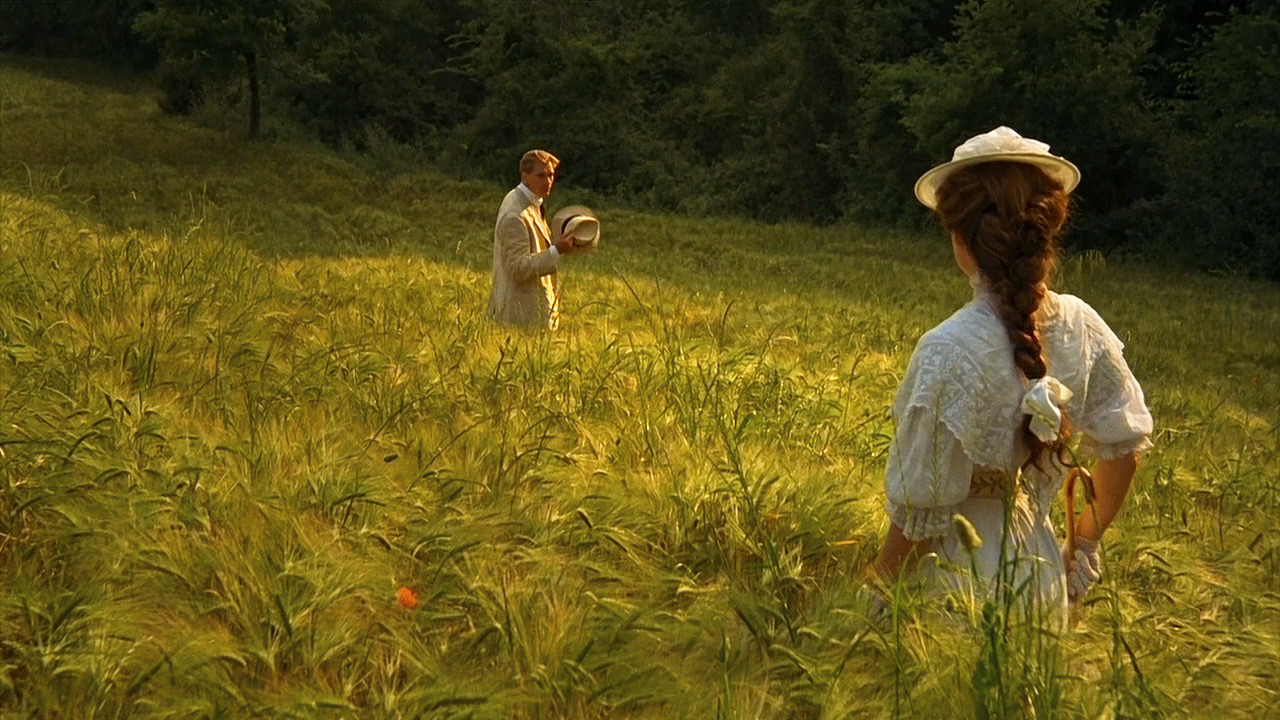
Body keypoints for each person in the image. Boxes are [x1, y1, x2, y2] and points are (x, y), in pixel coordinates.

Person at [870, 126, 1153, 624]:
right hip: (1039, 576)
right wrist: (1081, 542)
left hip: (953, 587)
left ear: (960, 238)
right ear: (1047, 233)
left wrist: (875, 606)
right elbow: (1124, 447)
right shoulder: (1082, 325)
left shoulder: (946, 350)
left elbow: (917, 522)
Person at [486, 149, 577, 331]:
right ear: (525, 176)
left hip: (528, 316)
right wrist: (556, 250)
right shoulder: (515, 214)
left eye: (551, 175)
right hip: (520, 320)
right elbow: (519, 268)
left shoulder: (529, 202)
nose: (548, 181)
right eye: (541, 175)